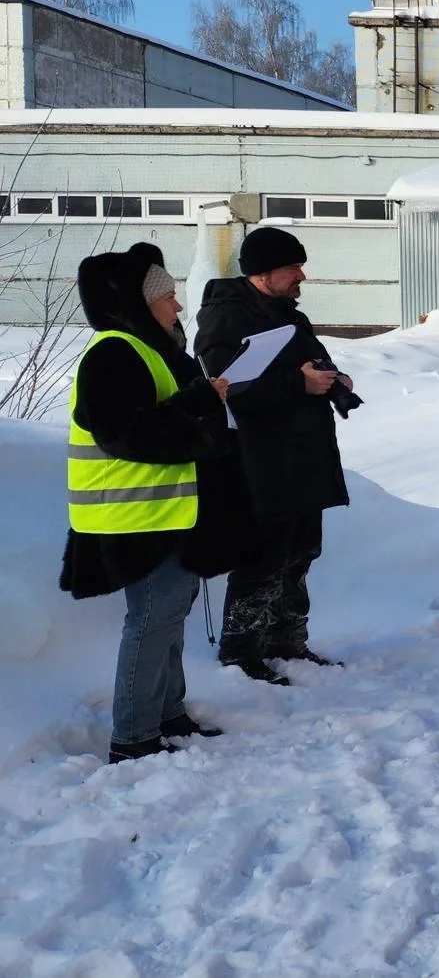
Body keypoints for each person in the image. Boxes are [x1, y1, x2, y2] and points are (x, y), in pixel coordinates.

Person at [61, 245, 250, 761]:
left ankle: (168, 715)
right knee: (150, 623)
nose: (178, 306)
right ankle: (134, 737)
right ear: (139, 302)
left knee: (168, 618)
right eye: (168, 296)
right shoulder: (115, 351)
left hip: (169, 511)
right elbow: (123, 432)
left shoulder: (155, 350)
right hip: (134, 515)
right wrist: (198, 403)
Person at [196, 226, 356, 684]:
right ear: (263, 272)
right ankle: (241, 651)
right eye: (292, 268)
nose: (301, 276)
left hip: (304, 457)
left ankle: (288, 641)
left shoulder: (288, 314)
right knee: (263, 558)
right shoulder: (226, 317)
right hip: (262, 462)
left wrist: (333, 380)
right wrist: (298, 384)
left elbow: (311, 363)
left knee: (301, 553)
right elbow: (225, 389)